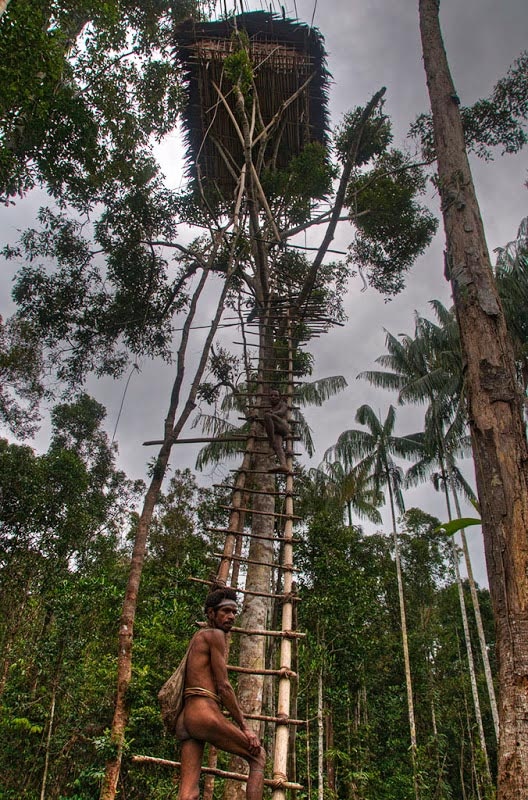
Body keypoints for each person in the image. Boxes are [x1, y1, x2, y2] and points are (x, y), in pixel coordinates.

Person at [175, 588, 266, 800]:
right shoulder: (215, 635)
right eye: (225, 611)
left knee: (188, 793)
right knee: (258, 756)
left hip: (186, 719)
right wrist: (245, 728)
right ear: (210, 613)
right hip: (204, 713)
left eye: (234, 612)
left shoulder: (199, 637)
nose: (232, 616)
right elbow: (224, 686)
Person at [262, 389, 290, 472]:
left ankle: (270, 443)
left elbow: (281, 412)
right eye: (271, 395)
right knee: (277, 447)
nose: (273, 397)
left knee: (267, 415)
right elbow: (268, 426)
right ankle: (284, 465)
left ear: (279, 397)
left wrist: (272, 414)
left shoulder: (283, 404)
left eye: (275, 395)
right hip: (277, 431)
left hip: (283, 427)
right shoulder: (271, 408)